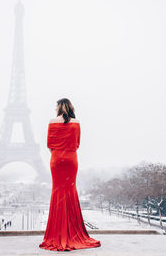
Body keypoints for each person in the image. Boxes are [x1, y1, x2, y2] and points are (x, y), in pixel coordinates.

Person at [39, 98, 101, 251]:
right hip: (71, 159)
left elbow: (49, 145)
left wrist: (57, 154)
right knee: (70, 192)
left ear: (59, 107)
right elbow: (77, 144)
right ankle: (73, 232)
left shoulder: (52, 121)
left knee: (57, 192)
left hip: (57, 159)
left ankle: (57, 233)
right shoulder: (76, 122)